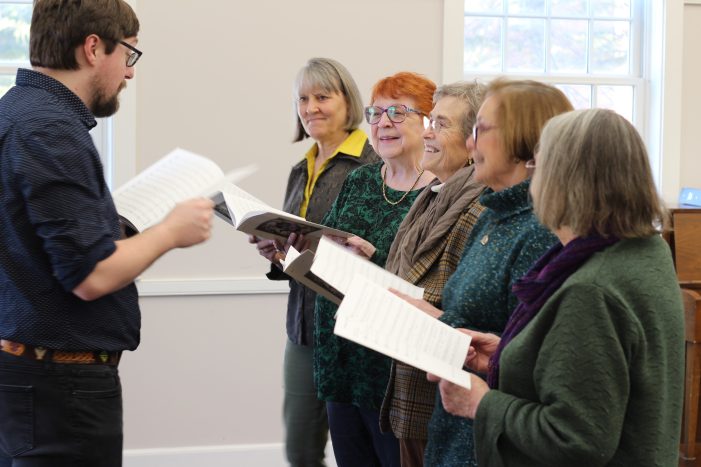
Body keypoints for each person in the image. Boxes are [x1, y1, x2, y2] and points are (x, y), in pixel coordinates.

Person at [0, 1, 214, 466]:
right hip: (62, 391)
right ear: (94, 48)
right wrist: (170, 232)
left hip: (29, 376)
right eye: (130, 56)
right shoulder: (51, 129)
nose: (130, 75)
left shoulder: (16, 111)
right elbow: (90, 275)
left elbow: (33, 242)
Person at [431, 108, 685, 467]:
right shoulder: (643, 249)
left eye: (537, 167)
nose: (531, 182)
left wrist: (480, 403)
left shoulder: (593, 287)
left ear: (563, 181)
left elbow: (576, 438)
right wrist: (510, 354)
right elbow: (603, 374)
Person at [396, 79, 573, 466]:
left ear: (522, 141)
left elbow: (535, 357)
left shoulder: (542, 230)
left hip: (493, 438)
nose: (471, 144)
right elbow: (474, 318)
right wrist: (428, 316)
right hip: (456, 424)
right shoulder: (495, 213)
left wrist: (437, 320)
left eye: (481, 130)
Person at [249, 57, 378, 467]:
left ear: (348, 102)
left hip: (354, 328)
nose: (311, 107)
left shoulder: (372, 164)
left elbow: (378, 248)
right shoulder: (299, 168)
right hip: (303, 326)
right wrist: (275, 251)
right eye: (303, 99)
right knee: (301, 450)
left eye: (323, 96)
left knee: (359, 451)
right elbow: (297, 247)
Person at [313, 71, 436, 467]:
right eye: (376, 113)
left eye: (398, 113)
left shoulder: (442, 193)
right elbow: (325, 248)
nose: (382, 123)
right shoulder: (360, 180)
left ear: (429, 122)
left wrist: (376, 260)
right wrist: (288, 247)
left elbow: (434, 284)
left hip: (392, 371)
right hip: (341, 356)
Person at [377, 81, 487, 467]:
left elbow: (463, 304)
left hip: (445, 389)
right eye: (429, 121)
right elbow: (408, 272)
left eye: (441, 124)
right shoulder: (435, 193)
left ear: (475, 140)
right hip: (413, 377)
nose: (427, 132)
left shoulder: (478, 208)